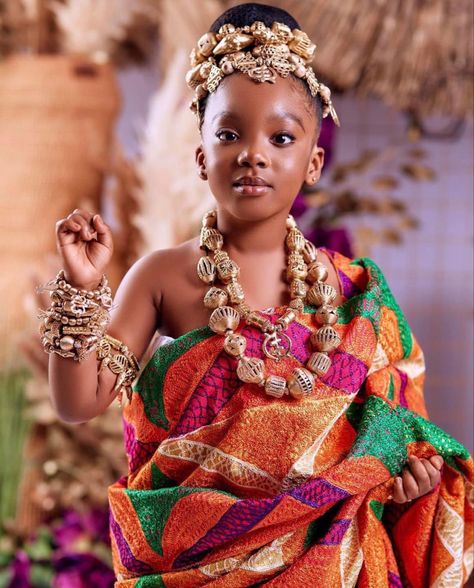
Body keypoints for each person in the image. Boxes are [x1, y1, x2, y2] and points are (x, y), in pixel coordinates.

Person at [41, 3, 473, 586]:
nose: (254, 153)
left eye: (281, 136)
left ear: (313, 161)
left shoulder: (351, 294)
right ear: (201, 157)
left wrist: (408, 477)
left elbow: (400, 434)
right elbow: (79, 402)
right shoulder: (161, 277)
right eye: (228, 133)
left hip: (336, 563)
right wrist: (82, 287)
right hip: (196, 563)